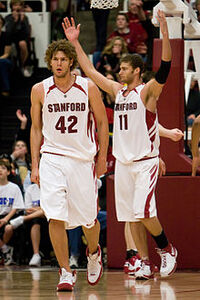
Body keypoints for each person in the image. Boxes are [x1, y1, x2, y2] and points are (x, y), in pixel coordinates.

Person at [63, 10, 178, 280]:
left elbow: (165, 67)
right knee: (131, 218)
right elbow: (90, 71)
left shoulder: (147, 91)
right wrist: (75, 42)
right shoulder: (117, 91)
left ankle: (167, 248)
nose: (119, 71)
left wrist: (164, 29)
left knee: (145, 213)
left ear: (136, 71)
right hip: (124, 164)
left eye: (124, 68)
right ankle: (145, 262)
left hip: (145, 162)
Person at [30, 39, 109, 290]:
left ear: (71, 61)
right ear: (50, 62)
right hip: (51, 158)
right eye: (55, 59)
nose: (59, 63)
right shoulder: (39, 89)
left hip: (82, 159)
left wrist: (103, 157)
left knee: (89, 220)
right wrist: (34, 164)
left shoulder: (88, 87)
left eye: (64, 59)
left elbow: (102, 123)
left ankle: (94, 253)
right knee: (54, 215)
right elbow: (35, 128)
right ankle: (65, 271)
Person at [0, 159, 24, 265]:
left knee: (8, 228)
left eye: (3, 168)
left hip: (11, 216)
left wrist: (6, 219)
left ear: (8, 172)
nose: (0, 170)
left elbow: (16, 207)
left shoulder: (14, 188)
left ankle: (5, 252)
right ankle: (5, 250)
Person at [5, 0, 32, 77]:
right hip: (11, 38)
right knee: (14, 44)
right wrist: (15, 21)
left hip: (22, 38)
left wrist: (22, 21)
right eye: (15, 5)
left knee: (22, 43)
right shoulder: (8, 17)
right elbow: (9, 32)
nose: (17, 7)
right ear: (12, 7)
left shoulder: (24, 18)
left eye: (19, 5)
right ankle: (13, 67)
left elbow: (26, 32)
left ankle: (22, 65)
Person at [0, 14, 12, 97]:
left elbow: (7, 54)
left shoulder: (6, 35)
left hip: (4, 59)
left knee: (2, 63)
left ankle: (5, 89)